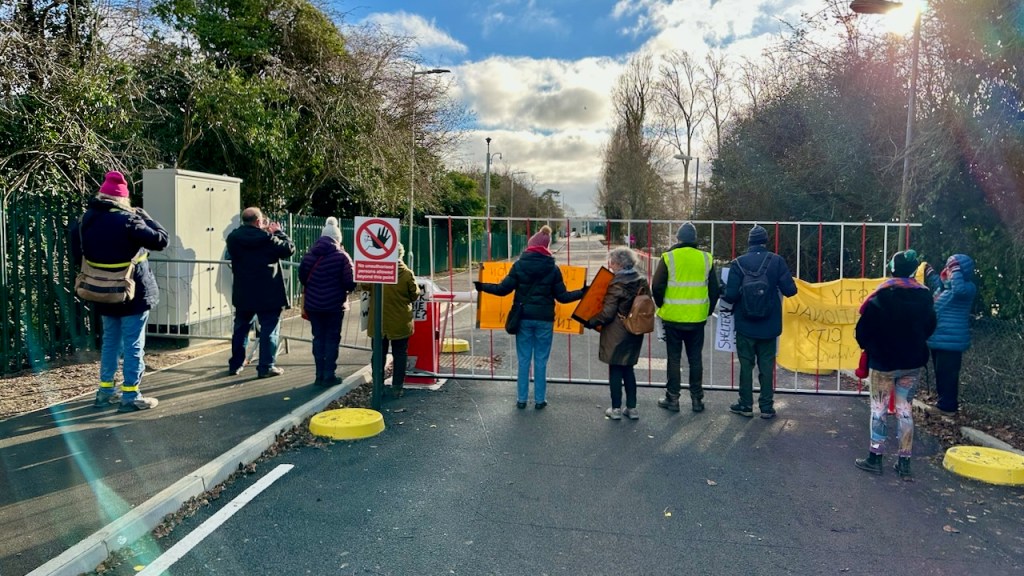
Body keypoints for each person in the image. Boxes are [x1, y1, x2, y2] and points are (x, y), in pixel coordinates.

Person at [70, 171, 169, 412]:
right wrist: (147, 218)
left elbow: (76, 256)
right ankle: (130, 395)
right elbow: (161, 240)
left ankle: (105, 392)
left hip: (101, 292)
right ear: (123, 199)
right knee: (134, 344)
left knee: (110, 342)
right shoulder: (130, 221)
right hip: (132, 293)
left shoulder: (83, 221)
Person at [474, 225, 583, 409]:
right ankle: (540, 400)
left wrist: (482, 286)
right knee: (541, 360)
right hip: (545, 320)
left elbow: (502, 290)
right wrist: (583, 292)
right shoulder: (553, 269)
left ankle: (521, 399)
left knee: (523, 360)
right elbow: (563, 297)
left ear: (530, 245)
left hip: (523, 318)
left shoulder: (519, 265)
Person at [854, 250, 936, 479]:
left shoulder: (881, 297)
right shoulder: (925, 296)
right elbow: (930, 326)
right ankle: (904, 463)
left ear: (892, 268)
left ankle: (875, 458)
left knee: (879, 409)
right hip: (912, 362)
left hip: (883, 363)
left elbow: (862, 331)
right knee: (904, 410)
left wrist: (871, 346)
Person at [721, 224, 797, 419]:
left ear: (749, 243)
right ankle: (766, 407)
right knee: (766, 365)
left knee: (746, 366)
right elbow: (791, 291)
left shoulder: (737, 263)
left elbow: (729, 296)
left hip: (745, 325)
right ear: (765, 241)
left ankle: (745, 405)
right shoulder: (776, 261)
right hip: (769, 326)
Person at [652, 222, 720, 414]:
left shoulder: (669, 257)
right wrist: (707, 310)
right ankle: (697, 400)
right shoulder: (706, 258)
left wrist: (662, 305)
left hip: (673, 317)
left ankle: (672, 399)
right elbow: (714, 289)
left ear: (678, 239)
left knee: (674, 359)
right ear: (695, 239)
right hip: (697, 319)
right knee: (695, 359)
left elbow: (656, 286)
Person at [226, 207, 295, 378]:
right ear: (258, 222)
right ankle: (266, 366)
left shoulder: (233, 238)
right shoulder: (268, 239)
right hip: (268, 292)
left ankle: (235, 364)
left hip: (244, 291)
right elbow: (289, 249)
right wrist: (278, 232)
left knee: (241, 328)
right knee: (269, 329)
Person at [585, 247, 648, 421]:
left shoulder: (617, 283)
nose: (610, 265)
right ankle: (632, 408)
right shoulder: (641, 280)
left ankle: (616, 409)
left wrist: (590, 321)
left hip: (616, 332)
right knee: (629, 369)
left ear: (619, 263)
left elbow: (607, 313)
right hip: (635, 329)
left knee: (615, 369)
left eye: (612, 262)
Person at [299, 217, 355, 387]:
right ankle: (329, 374)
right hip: (334, 306)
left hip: (314, 305)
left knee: (318, 338)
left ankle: (318, 374)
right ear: (338, 239)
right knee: (331, 339)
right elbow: (350, 283)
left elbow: (302, 278)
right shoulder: (342, 257)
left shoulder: (309, 255)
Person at [361, 243, 420, 398]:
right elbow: (414, 294)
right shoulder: (407, 274)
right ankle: (397, 387)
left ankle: (378, 386)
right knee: (400, 354)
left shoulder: (377, 272)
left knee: (378, 354)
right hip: (400, 321)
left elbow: (364, 284)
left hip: (378, 321)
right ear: (401, 254)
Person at [924, 253, 977, 415]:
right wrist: (929, 272)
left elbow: (958, 289)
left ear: (961, 271)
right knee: (941, 373)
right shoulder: (946, 288)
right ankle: (942, 403)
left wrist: (956, 271)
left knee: (949, 374)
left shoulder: (967, 288)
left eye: (952, 268)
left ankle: (948, 406)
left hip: (951, 341)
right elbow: (938, 283)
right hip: (938, 339)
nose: (948, 270)